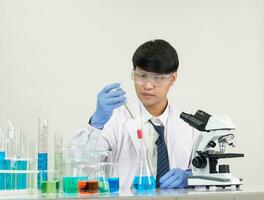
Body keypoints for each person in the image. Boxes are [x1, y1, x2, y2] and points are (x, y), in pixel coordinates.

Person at [70, 39, 196, 189]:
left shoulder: (189, 126)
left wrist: (191, 177)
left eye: (157, 78)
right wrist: (96, 124)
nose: (148, 86)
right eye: (141, 76)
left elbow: (206, 174)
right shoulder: (114, 120)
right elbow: (82, 164)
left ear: (173, 78)